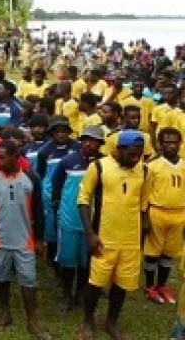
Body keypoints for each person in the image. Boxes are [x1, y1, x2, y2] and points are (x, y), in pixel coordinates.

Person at [78, 130, 146, 340]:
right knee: (96, 284)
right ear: (119, 149)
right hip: (104, 239)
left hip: (130, 241)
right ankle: (88, 321)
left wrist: (142, 238)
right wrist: (90, 233)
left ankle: (111, 323)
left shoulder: (144, 171)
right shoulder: (98, 167)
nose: (137, 160)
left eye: (140, 155)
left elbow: (143, 206)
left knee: (122, 285)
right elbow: (83, 200)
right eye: (133, 155)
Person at [0, 140, 49, 339]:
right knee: (1, 278)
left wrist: (39, 239)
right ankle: (5, 312)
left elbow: (38, 211)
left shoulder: (31, 178)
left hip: (24, 241)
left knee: (28, 281)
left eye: (2, 157)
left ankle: (32, 320)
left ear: (15, 157)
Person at [51, 125, 105, 313]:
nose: (90, 144)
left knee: (86, 262)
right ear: (81, 141)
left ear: (100, 144)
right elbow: (56, 186)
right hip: (69, 218)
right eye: (87, 140)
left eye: (95, 141)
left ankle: (81, 293)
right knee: (68, 260)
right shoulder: (67, 161)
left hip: (92, 220)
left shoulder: (104, 163)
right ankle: (66, 294)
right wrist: (58, 208)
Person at [143, 127, 185, 304]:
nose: (171, 146)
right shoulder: (152, 166)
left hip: (180, 213)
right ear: (160, 144)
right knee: (153, 252)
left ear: (180, 144)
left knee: (169, 252)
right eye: (167, 142)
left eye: (174, 142)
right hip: (157, 212)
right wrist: (145, 217)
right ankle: (150, 286)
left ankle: (162, 285)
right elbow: (144, 194)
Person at [37, 116, 81, 278]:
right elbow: (41, 173)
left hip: (71, 194)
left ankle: (74, 257)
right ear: (52, 133)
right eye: (57, 132)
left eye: (64, 131)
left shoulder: (78, 147)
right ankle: (54, 261)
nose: (61, 135)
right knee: (52, 227)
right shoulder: (44, 151)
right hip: (50, 195)